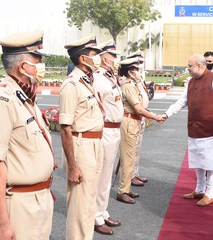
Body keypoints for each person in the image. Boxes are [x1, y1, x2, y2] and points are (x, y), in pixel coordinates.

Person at [0, 30, 55, 239]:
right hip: (19, 204)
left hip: (39, 199)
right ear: (23, 66)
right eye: (38, 61)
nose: (42, 66)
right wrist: (3, 224)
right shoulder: (2, 100)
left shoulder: (23, 95)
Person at [162, 54, 213, 206]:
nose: (188, 69)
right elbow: (182, 101)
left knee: (210, 162)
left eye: (190, 66)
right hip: (194, 128)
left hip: (211, 129)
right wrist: (167, 113)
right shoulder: (191, 82)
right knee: (197, 160)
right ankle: (199, 189)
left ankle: (209, 192)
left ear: (200, 66)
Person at [60, 34, 104, 240]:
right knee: (80, 205)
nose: (98, 58)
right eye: (94, 54)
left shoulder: (88, 80)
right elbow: (65, 128)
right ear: (82, 58)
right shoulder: (71, 85)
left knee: (89, 201)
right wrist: (73, 165)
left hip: (95, 143)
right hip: (81, 145)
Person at [116, 57, 163, 204]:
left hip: (134, 121)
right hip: (129, 121)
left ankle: (126, 188)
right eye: (136, 69)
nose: (139, 71)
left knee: (130, 157)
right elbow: (138, 108)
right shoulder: (128, 85)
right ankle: (123, 191)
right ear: (130, 72)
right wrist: (155, 117)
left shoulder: (133, 83)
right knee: (128, 158)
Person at [92, 39, 123, 235]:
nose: (115, 60)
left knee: (107, 175)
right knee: (101, 176)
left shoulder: (110, 77)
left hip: (114, 130)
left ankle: (102, 211)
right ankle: (95, 216)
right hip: (105, 130)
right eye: (113, 56)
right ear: (104, 58)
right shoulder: (98, 79)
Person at [127, 51, 149, 187]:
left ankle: (135, 173)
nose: (140, 67)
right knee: (131, 150)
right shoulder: (129, 81)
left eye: (141, 63)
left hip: (140, 116)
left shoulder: (139, 78)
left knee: (137, 148)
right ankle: (129, 176)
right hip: (133, 116)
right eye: (137, 64)